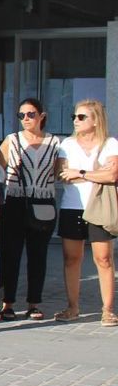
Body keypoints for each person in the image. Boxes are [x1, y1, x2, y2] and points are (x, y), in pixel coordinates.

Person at [55, 99, 118, 325]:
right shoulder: (67, 145)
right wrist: (94, 173)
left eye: (82, 117)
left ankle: (108, 309)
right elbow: (62, 174)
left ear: (96, 120)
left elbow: (112, 175)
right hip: (72, 206)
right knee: (72, 258)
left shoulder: (110, 143)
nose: (76, 120)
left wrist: (80, 172)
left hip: (99, 207)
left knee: (103, 258)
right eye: (74, 116)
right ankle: (72, 307)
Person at [0, 97, 58, 323]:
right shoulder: (12, 140)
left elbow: (62, 172)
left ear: (42, 116)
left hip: (43, 202)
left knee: (38, 255)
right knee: (10, 254)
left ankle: (34, 303)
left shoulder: (54, 143)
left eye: (30, 114)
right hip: (14, 202)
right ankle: (8, 303)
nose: (25, 119)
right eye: (21, 115)